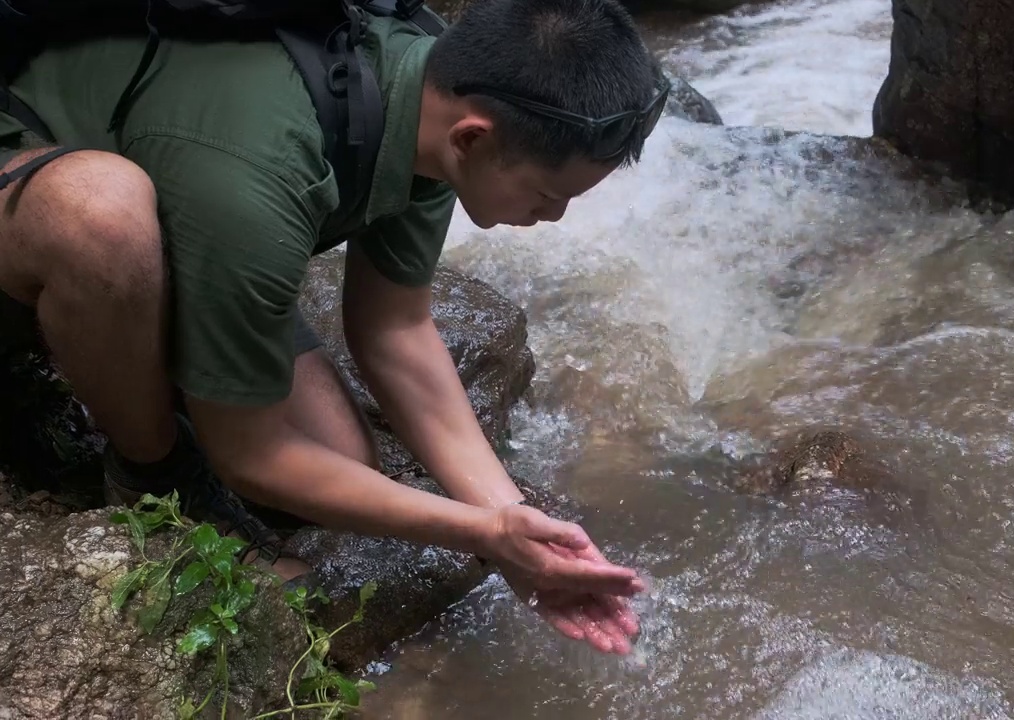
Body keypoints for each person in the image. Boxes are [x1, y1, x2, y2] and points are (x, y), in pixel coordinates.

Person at [0, 0, 669, 656]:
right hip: (34, 171)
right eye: (549, 194)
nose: (552, 217)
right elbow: (251, 456)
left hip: (202, 216)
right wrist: (482, 533)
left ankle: (194, 333)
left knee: (344, 468)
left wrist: (519, 527)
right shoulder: (262, 173)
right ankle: (149, 469)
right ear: (473, 138)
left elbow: (395, 331)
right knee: (100, 220)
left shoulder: (433, 87)